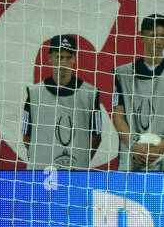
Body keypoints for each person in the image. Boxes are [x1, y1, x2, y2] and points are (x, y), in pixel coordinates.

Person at [111, 15, 164, 171]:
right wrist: (133, 146)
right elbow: (118, 117)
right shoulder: (122, 74)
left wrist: (160, 148)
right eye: (153, 35)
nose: (159, 41)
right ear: (142, 36)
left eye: (163, 36)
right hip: (133, 153)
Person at [22, 34, 103, 171]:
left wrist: (80, 159)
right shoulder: (34, 93)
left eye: (68, 57)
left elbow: (97, 136)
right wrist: (42, 157)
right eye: (59, 57)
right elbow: (26, 135)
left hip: (76, 172)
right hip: (41, 172)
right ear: (50, 58)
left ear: (74, 59)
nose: (63, 62)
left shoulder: (90, 94)